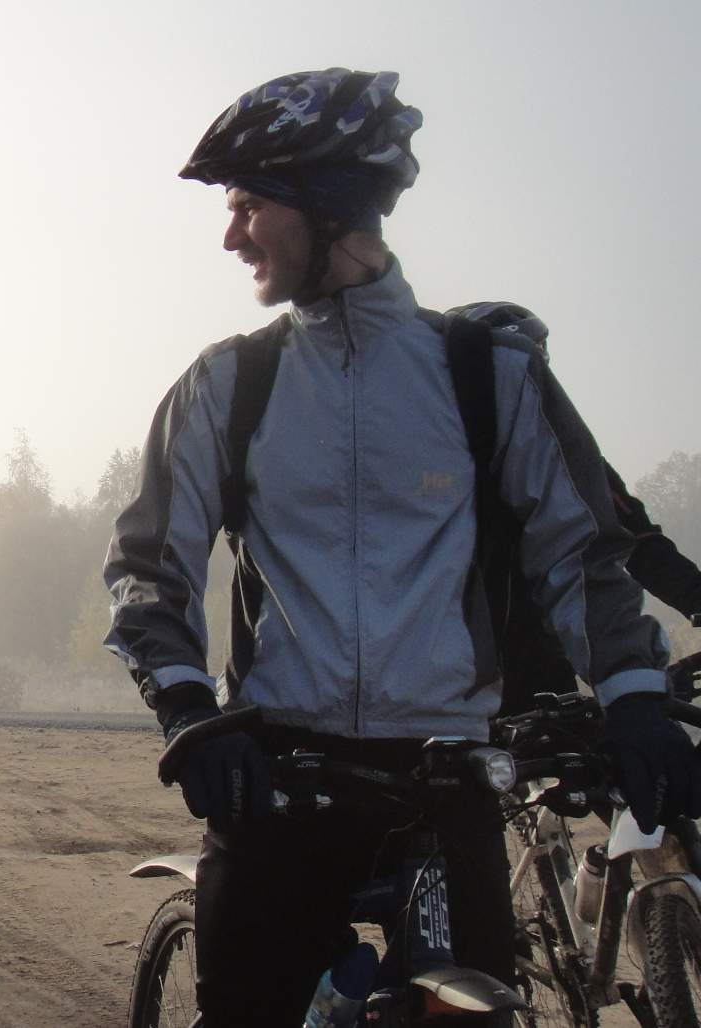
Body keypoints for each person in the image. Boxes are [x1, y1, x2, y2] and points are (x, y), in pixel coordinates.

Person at [102, 69, 692, 1026]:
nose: (231, 236)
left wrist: (633, 700)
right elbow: (147, 568)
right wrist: (187, 709)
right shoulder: (230, 384)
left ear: (327, 205)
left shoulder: (487, 373)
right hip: (280, 782)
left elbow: (582, 553)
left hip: (447, 783)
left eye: (249, 206)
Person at [441, 301, 701, 705]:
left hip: (542, 670)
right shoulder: (429, 461)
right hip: (441, 682)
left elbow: (640, 544)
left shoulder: (569, 460)